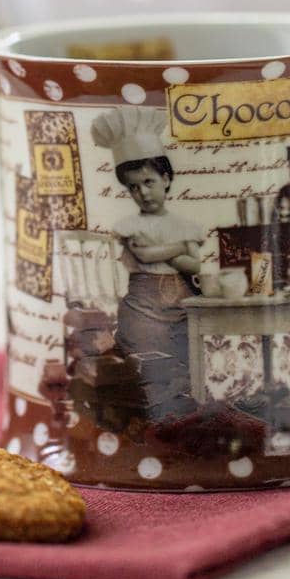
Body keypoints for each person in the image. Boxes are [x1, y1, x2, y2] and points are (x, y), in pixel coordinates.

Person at [112, 153, 203, 419]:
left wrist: (164, 252)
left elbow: (194, 266)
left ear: (166, 179)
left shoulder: (184, 225)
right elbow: (144, 257)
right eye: (134, 187)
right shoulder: (130, 226)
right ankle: (151, 402)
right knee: (145, 353)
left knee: (186, 349)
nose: (142, 192)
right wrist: (178, 249)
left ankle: (179, 402)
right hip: (143, 303)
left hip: (180, 302)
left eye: (149, 182)